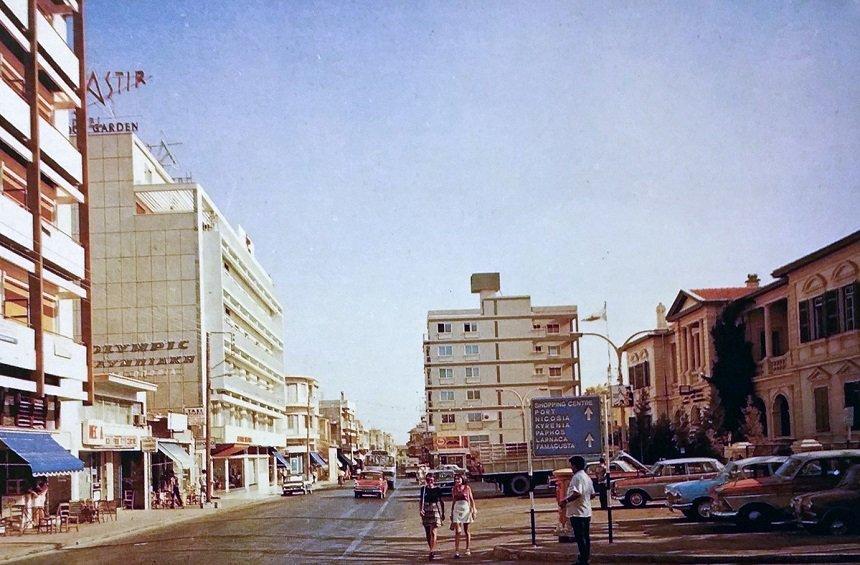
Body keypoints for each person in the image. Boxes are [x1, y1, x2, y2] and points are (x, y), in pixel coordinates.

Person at [560, 455, 594, 565]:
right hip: (586, 511)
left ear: (575, 466)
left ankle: (583, 560)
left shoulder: (577, 477)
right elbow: (592, 494)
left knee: (580, 538)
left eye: (572, 466)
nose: (571, 468)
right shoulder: (587, 477)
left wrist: (565, 501)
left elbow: (577, 493)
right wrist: (585, 499)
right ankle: (585, 557)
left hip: (578, 513)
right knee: (585, 537)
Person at [419, 473, 445, 561]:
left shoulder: (438, 489)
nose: (430, 482)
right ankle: (431, 548)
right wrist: (420, 510)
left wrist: (443, 513)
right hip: (426, 510)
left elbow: (441, 502)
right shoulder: (423, 489)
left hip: (435, 510)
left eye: (431, 480)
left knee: (433, 531)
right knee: (427, 532)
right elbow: (421, 500)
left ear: (434, 480)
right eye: (428, 480)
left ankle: (431, 551)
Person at [450, 474, 477, 558]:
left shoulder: (467, 488)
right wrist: (451, 512)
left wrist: (473, 510)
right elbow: (454, 500)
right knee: (458, 531)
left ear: (462, 479)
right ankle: (457, 551)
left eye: (458, 479)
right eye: (455, 479)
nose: (457, 480)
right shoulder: (454, 489)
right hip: (457, 509)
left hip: (466, 509)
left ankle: (467, 549)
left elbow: (471, 500)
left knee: (466, 530)